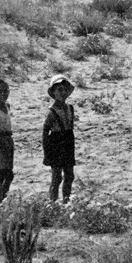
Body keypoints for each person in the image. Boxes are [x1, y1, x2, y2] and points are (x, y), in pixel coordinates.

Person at [42, 74, 76, 203]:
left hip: (68, 142)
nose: (63, 93)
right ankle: (53, 203)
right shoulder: (51, 112)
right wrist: (46, 153)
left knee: (69, 175)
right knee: (56, 177)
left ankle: (66, 201)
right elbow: (45, 133)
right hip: (56, 143)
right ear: (53, 93)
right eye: (59, 90)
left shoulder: (70, 108)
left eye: (65, 89)